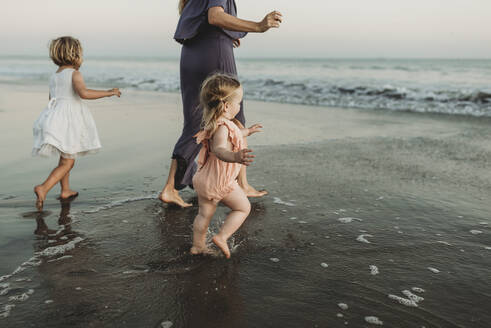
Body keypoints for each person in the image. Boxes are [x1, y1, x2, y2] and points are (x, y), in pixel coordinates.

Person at [159, 0, 283, 207]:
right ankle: (241, 184)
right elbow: (215, 16)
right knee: (234, 116)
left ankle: (170, 188)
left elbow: (208, 20)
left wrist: (226, 34)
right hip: (214, 54)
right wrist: (259, 26)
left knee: (195, 122)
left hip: (192, 55)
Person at [33, 36, 121, 210]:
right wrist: (108, 92)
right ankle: (43, 187)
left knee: (66, 154)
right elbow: (84, 93)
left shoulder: (55, 75)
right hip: (69, 120)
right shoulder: (75, 74)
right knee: (68, 162)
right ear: (76, 54)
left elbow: (52, 98)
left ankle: (65, 190)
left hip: (54, 118)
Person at [190, 73, 262, 259]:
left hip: (204, 179)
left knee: (204, 214)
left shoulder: (219, 124)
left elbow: (237, 133)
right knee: (243, 208)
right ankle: (222, 237)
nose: (240, 106)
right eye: (239, 103)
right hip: (220, 181)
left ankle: (197, 246)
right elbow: (219, 149)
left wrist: (249, 131)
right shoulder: (222, 128)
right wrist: (235, 156)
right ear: (227, 105)